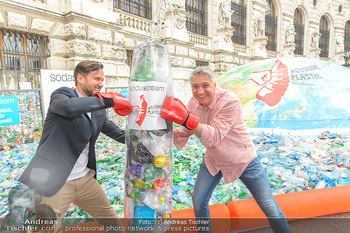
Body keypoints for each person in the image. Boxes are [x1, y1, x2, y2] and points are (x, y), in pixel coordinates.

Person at [161, 66, 291, 233]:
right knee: (198, 200)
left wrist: (187, 119)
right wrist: (171, 131)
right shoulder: (193, 103)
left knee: (269, 207)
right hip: (214, 160)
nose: (200, 91)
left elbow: (214, 136)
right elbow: (189, 128)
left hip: (243, 160)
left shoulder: (230, 101)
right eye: (195, 87)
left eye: (205, 85)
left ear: (214, 84)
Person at [19, 60, 132, 233]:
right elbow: (68, 108)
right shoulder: (62, 95)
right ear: (80, 78)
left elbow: (118, 133)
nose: (101, 84)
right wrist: (107, 101)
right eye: (97, 79)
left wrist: (153, 136)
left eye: (102, 80)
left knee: (114, 225)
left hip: (85, 180)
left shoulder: (98, 110)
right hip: (54, 181)